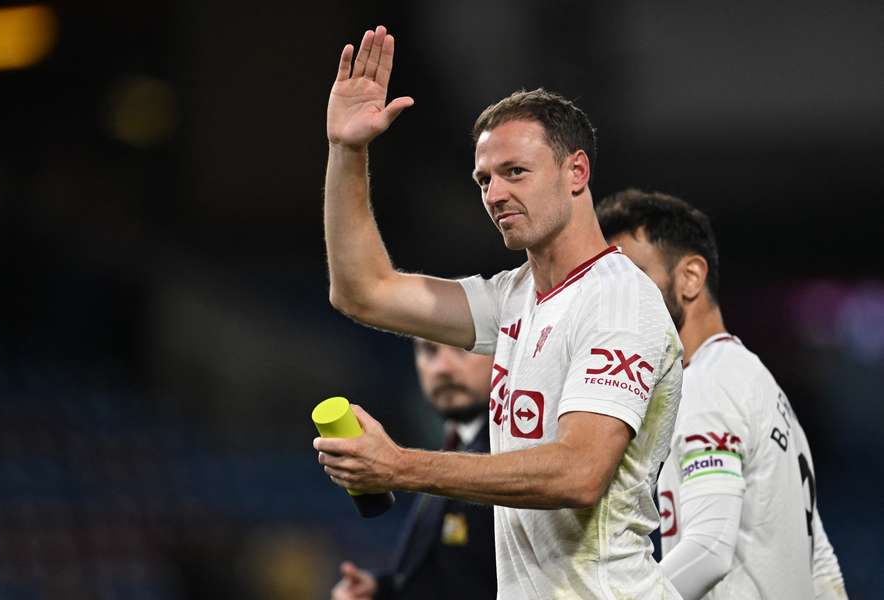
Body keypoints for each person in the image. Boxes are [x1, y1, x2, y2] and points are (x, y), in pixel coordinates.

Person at [317, 25, 683, 598]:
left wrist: (398, 467)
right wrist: (347, 149)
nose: (494, 194)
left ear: (577, 172)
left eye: (516, 172)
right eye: (484, 179)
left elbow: (579, 473)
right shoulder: (513, 297)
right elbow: (362, 290)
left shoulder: (619, 301)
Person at [596, 189, 848, 599]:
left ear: (690, 278)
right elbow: (820, 561)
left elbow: (709, 549)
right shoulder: (757, 383)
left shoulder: (708, 381)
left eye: (633, 275)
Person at [331, 340, 497, 600]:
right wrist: (381, 590)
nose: (443, 367)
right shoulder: (453, 444)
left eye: (463, 348)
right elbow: (459, 578)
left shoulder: (518, 453)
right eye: (429, 351)